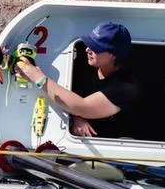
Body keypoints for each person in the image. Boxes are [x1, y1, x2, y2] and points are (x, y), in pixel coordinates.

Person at [15, 21, 144, 138]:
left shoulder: (126, 88)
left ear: (112, 55)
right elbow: (76, 105)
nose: (87, 49)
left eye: (95, 47)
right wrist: (76, 116)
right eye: (89, 44)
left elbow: (83, 107)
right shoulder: (85, 64)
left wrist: (36, 76)